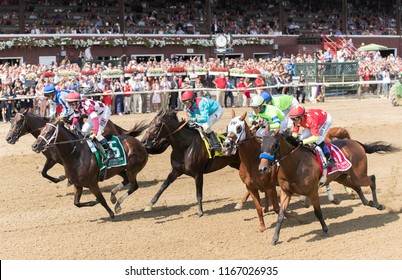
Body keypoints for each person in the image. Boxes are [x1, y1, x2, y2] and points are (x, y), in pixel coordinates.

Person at [65, 91, 114, 164]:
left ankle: (109, 152)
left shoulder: (87, 106)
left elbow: (96, 120)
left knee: (97, 134)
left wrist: (94, 132)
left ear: (77, 102)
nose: (71, 106)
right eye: (69, 104)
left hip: (103, 113)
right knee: (83, 131)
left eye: (72, 103)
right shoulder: (76, 106)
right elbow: (77, 116)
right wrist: (73, 124)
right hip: (95, 114)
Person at [288, 104, 335, 169]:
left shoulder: (310, 120)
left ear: (302, 116)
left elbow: (316, 137)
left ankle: (329, 159)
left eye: (295, 119)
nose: (294, 121)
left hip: (325, 120)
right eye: (292, 119)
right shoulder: (297, 119)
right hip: (315, 120)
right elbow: (295, 133)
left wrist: (303, 142)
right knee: (301, 137)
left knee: (318, 141)